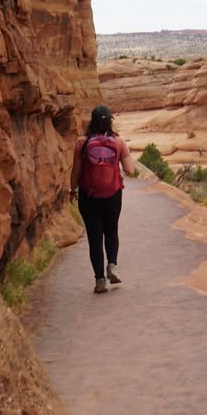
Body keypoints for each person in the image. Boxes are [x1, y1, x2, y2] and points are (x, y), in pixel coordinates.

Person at [70, 105, 136, 293]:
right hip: (112, 194)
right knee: (111, 230)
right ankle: (112, 265)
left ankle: (99, 280)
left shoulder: (81, 142)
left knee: (94, 237)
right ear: (109, 122)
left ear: (92, 120)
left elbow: (76, 170)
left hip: (88, 195)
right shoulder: (119, 142)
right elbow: (130, 170)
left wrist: (72, 190)